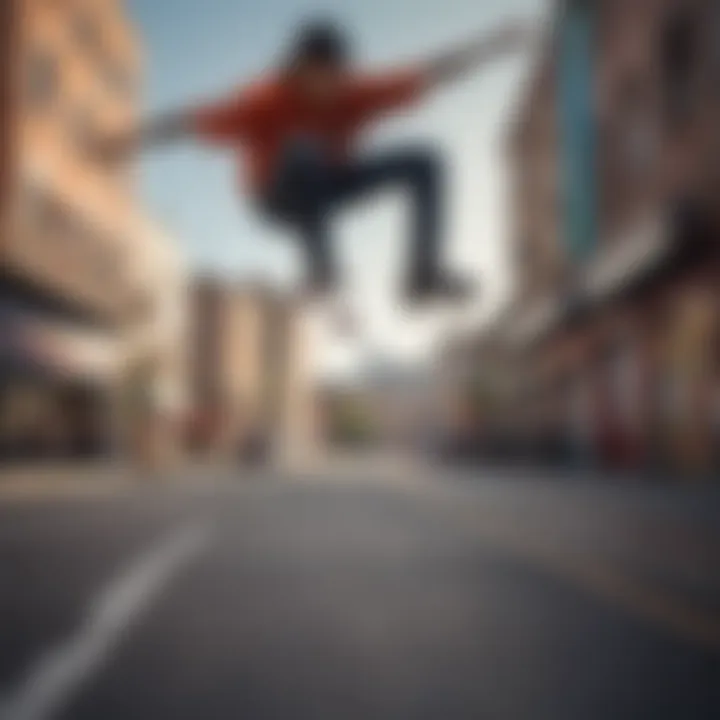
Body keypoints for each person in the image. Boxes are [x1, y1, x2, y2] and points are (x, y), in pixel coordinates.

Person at [102, 17, 534, 304]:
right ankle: (322, 270)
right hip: (275, 197)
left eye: (333, 78)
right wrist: (129, 142)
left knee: (426, 160)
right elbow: (189, 123)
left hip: (332, 188)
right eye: (314, 77)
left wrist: (491, 47)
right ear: (296, 70)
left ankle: (421, 273)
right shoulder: (264, 100)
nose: (324, 89)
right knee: (304, 148)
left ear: (342, 73)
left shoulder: (356, 93)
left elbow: (431, 73)